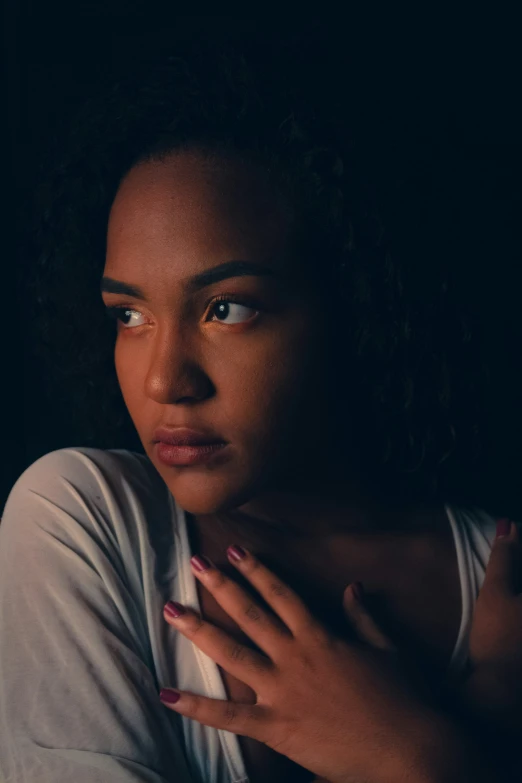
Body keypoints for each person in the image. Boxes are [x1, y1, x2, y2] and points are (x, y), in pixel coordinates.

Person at [0, 39, 521, 783]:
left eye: (226, 307)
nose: (164, 381)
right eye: (129, 315)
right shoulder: (87, 520)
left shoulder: (500, 577)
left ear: (355, 307)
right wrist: (438, 749)